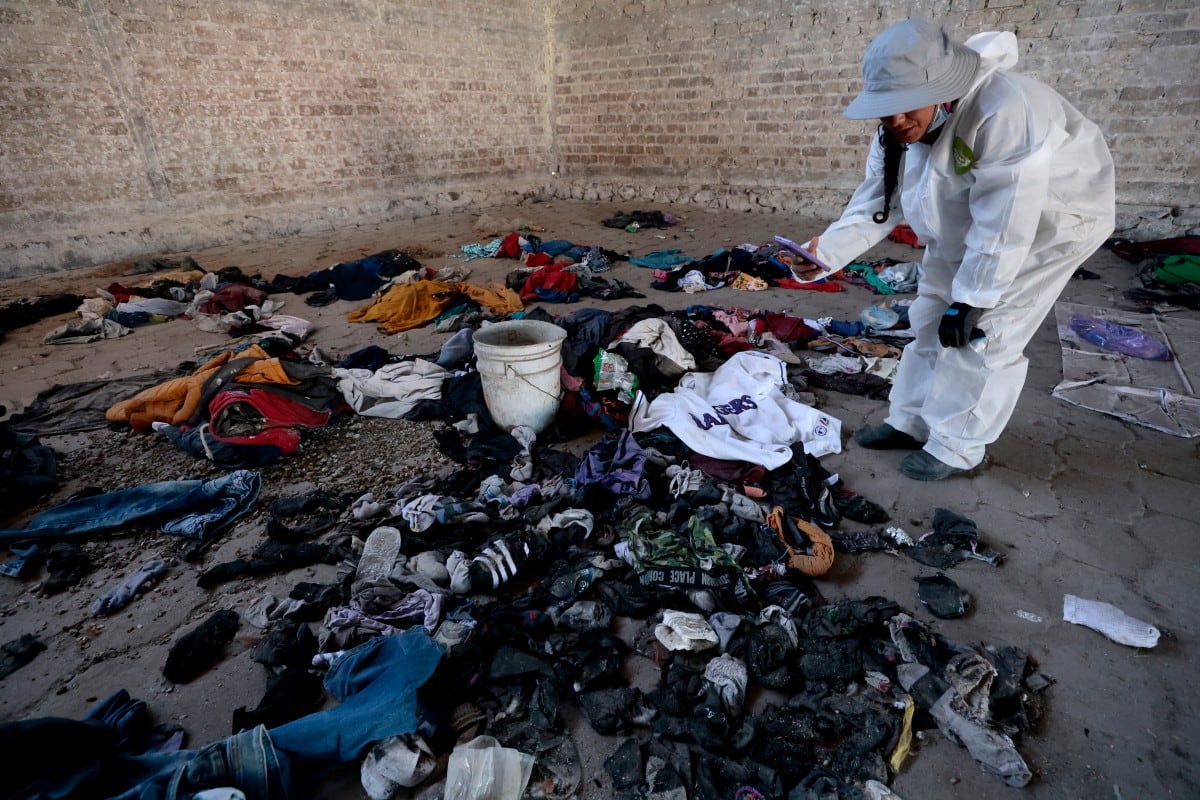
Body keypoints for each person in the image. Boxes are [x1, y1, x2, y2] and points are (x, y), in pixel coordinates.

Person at [797, 18, 1115, 480]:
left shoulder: (1004, 111)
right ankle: (909, 421)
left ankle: (956, 445)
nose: (896, 122)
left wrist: (974, 298)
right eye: (885, 111)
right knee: (929, 318)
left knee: (981, 333)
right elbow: (876, 202)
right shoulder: (896, 127)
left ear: (943, 90)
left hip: (1052, 222)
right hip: (968, 222)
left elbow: (1008, 219)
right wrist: (820, 254)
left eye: (905, 109)